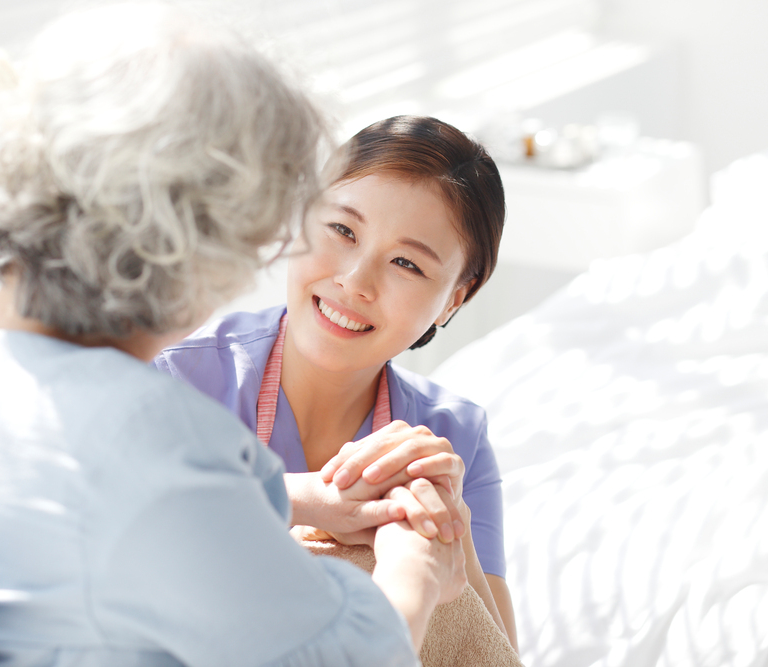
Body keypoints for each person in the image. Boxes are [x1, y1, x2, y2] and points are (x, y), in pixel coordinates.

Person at [0, 5, 467, 665]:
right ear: (206, 241)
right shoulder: (151, 438)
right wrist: (417, 565)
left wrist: (313, 499)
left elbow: (109, 518)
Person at [153, 115, 517, 647]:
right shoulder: (177, 382)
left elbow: (490, 652)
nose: (355, 281)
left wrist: (450, 524)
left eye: (406, 263)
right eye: (343, 230)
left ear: (454, 299)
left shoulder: (453, 441)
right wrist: (302, 498)